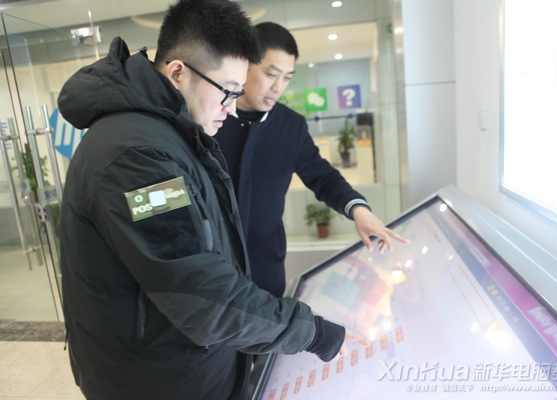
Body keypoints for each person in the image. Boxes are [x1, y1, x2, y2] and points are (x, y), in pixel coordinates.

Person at [58, 1, 364, 399]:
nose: (232, 109)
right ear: (178, 72)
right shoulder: (139, 159)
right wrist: (315, 333)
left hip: (185, 361)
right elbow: (201, 295)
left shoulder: (168, 134)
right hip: (157, 380)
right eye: (227, 92)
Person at [214, 22, 409, 298]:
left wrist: (358, 210)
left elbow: (323, 177)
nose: (278, 87)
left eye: (287, 78)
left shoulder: (289, 126)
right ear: (245, 63)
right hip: (212, 267)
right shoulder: (209, 117)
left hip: (264, 269)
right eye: (271, 74)